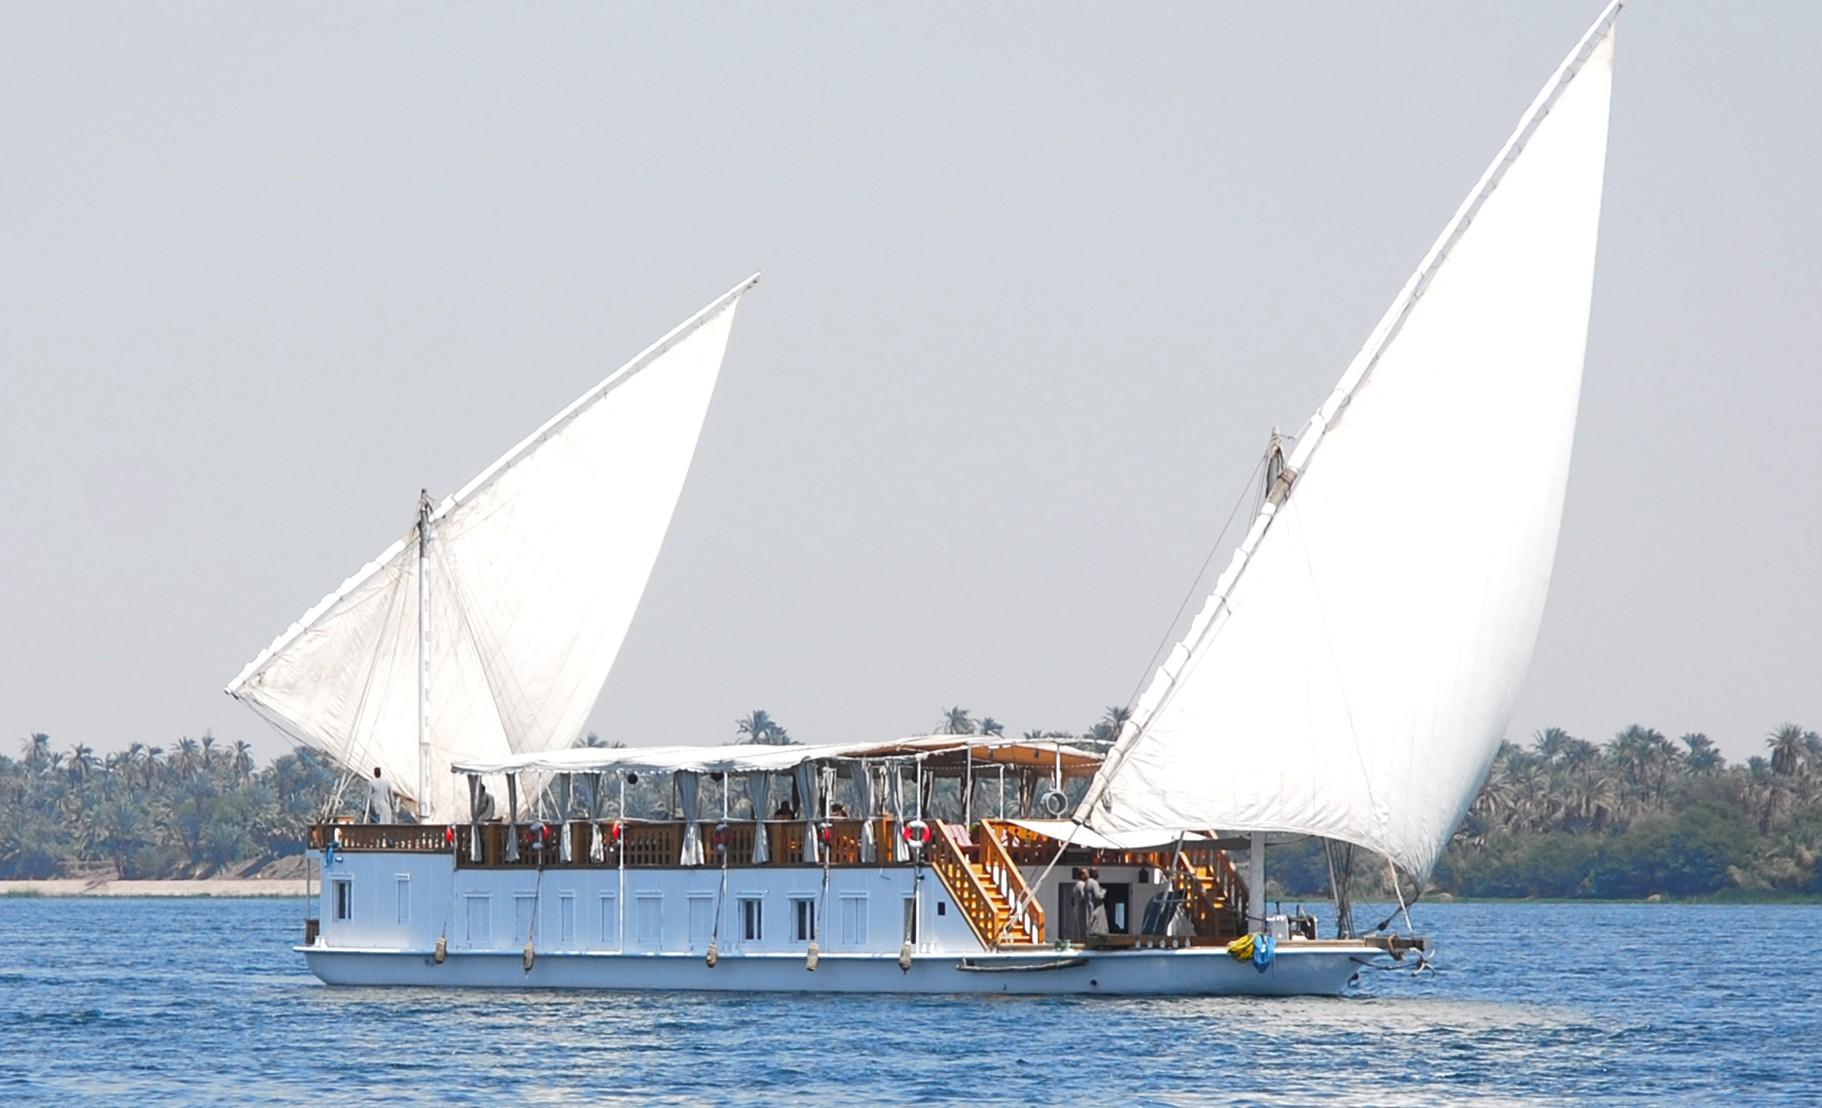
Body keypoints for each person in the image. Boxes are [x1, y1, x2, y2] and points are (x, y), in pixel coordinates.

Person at [1084, 866, 1109, 937]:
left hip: (1090, 908)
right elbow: (1098, 896)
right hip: (1096, 908)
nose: (1098, 874)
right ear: (1093, 873)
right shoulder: (1094, 883)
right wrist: (1103, 892)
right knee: (1097, 926)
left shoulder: (1087, 883)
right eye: (1096, 872)